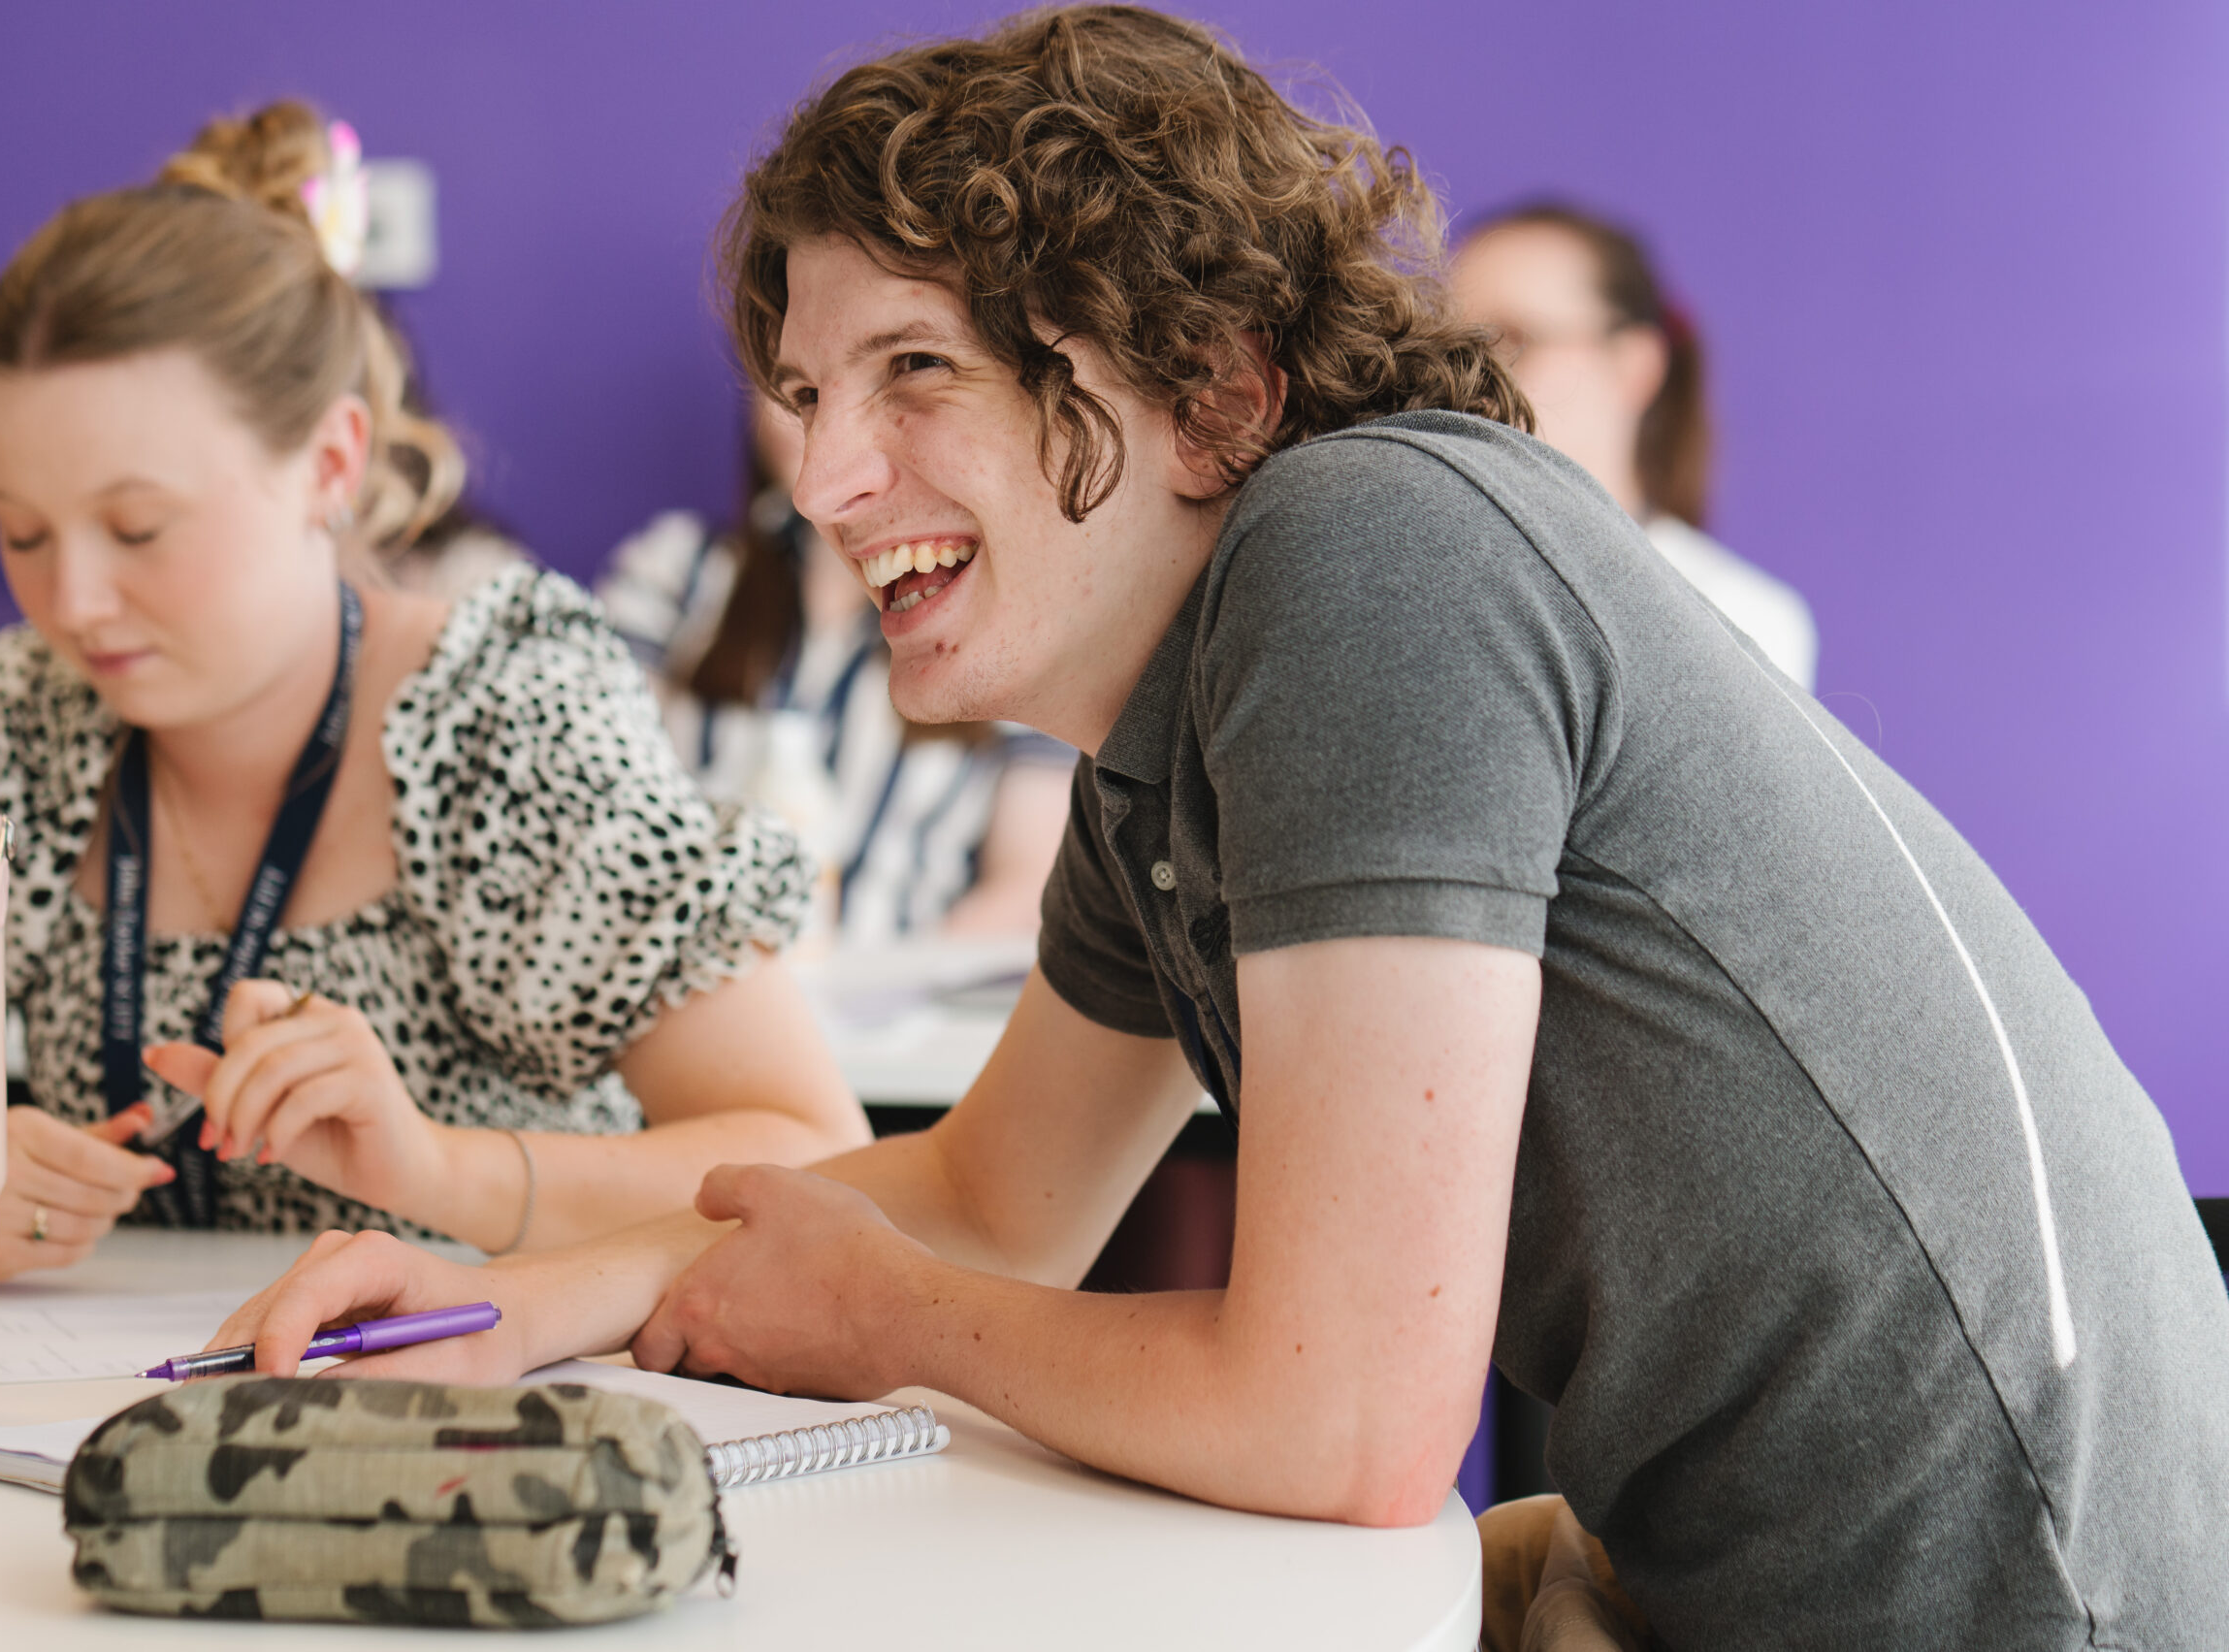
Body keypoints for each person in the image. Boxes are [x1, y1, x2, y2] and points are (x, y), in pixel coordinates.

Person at [212, 14, 2229, 1650]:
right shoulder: (1164, 730)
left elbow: (1345, 1420)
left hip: (2005, 1599)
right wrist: (492, 1308)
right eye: (806, 390)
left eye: (913, 371)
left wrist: (885, 1317)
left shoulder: (1363, 557)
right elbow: (995, 1198)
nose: (826, 473)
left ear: (1209, 387)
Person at [0, 101, 868, 1280]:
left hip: (494, 1405)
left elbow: (814, 1156)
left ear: (329, 464)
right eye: (20, 532)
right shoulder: (7, 723)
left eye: (138, 527)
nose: (72, 602)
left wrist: (433, 1169)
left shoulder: (501, 718)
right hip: (128, 1418)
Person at [598, 396, 1074, 941]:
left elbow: (1027, 885)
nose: (825, 437)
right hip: (690, 991)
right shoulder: (679, 575)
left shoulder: (1007, 611)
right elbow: (596, 817)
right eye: (798, 393)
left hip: (909, 1004)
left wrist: (882, 1001)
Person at [1453, 203, 1820, 690]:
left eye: (1513, 339)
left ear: (1633, 366)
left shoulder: (1737, 619)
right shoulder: (1417, 577)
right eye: (1449, 346)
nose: (1462, 378)